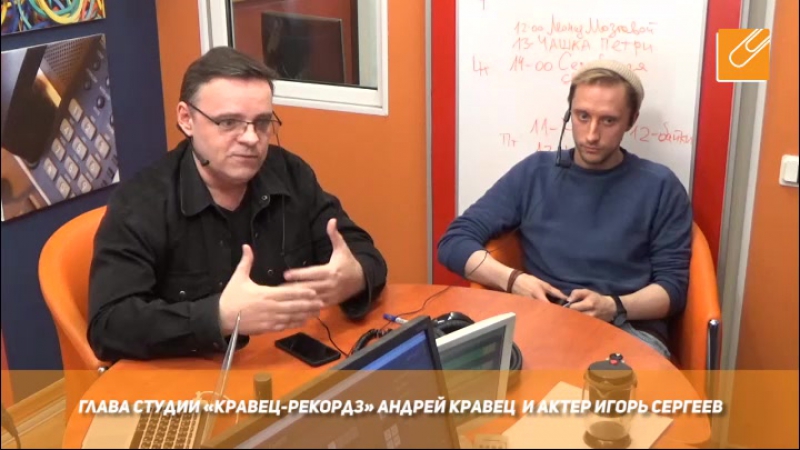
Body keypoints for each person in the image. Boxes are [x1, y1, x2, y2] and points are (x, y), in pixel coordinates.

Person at [87, 46, 388, 362]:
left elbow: (364, 254)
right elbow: (108, 326)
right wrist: (218, 316)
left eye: (262, 122)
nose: (251, 138)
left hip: (283, 367)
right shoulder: (140, 203)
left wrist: (354, 277)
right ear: (187, 119)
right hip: (191, 379)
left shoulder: (291, 174)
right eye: (229, 122)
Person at [437, 60, 693, 359]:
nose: (591, 135)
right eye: (583, 116)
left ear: (631, 121)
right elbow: (454, 242)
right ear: (569, 113)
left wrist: (613, 306)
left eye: (608, 121)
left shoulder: (660, 185)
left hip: (627, 328)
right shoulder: (535, 173)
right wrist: (514, 280)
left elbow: (672, 289)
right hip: (544, 322)